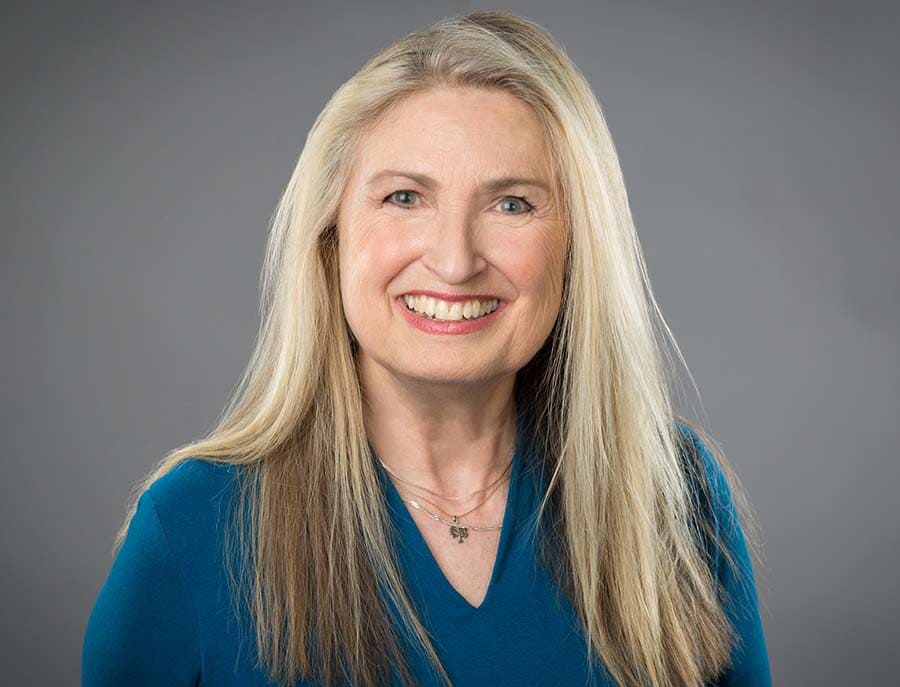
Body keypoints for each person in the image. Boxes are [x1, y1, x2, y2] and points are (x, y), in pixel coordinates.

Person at [82, 10, 772, 687]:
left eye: (512, 204)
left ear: (577, 246)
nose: (454, 260)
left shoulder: (675, 497)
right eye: (405, 196)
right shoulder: (191, 529)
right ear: (331, 238)